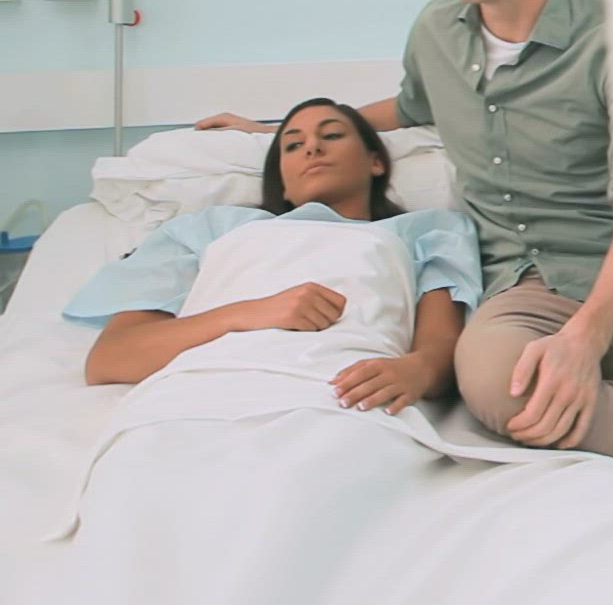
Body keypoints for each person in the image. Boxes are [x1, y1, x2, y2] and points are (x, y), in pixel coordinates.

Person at [197, 0, 613, 456]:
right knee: (497, 383)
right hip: (523, 290)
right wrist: (274, 131)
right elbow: (409, 108)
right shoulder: (436, 31)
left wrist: (587, 337)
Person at [71, 97, 481, 411]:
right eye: (293, 144)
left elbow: (438, 347)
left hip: (347, 395)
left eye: (332, 136)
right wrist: (249, 313)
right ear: (281, 180)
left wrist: (417, 372)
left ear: (376, 161)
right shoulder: (206, 229)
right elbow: (111, 358)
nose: (312, 148)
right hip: (202, 395)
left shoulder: (429, 230)